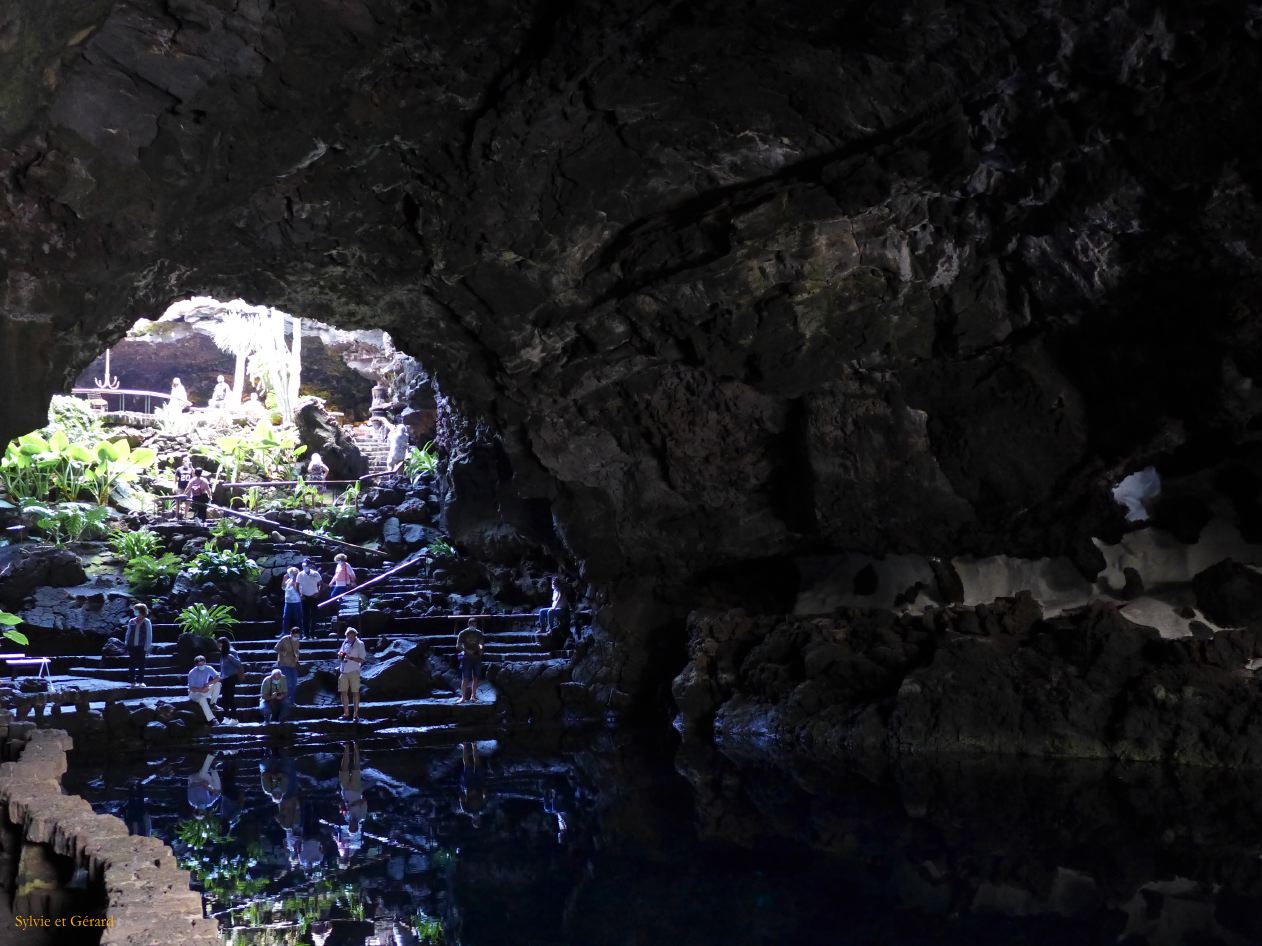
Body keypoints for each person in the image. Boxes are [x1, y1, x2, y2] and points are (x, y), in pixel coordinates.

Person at [334, 741, 367, 867]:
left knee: (343, 770)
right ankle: (356, 746)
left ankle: (347, 747)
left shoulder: (347, 818)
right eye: (353, 827)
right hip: (356, 790)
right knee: (356, 768)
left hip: (345, 791)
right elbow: (364, 801)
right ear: (357, 827)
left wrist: (342, 807)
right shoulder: (361, 817)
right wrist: (354, 805)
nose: (351, 825)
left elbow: (342, 807)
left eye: (350, 828)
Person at [337, 627, 367, 721]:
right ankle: (346, 713)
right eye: (348, 636)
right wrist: (341, 656)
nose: (349, 638)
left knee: (355, 692)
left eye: (351, 636)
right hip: (343, 670)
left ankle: (355, 715)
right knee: (343, 692)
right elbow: (340, 653)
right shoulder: (345, 642)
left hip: (354, 670)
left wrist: (351, 658)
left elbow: (362, 660)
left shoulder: (360, 644)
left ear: (355, 635)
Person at [456, 618, 484, 704]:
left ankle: (473, 696)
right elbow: (458, 645)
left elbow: (481, 643)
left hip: (477, 657)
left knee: (476, 677)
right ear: (468, 624)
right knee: (465, 677)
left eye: (475, 625)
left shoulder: (479, 633)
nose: (473, 626)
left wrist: (480, 648)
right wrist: (466, 650)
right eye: (472, 624)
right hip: (466, 657)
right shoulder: (463, 633)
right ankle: (463, 697)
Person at [187, 655, 221, 724]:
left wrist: (208, 684)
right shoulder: (192, 672)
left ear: (205, 663)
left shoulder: (208, 668)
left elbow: (218, 677)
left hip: (205, 689)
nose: (202, 666)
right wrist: (201, 690)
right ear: (196, 665)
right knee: (202, 699)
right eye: (200, 665)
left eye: (203, 664)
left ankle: (213, 704)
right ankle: (212, 719)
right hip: (194, 693)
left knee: (218, 684)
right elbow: (191, 688)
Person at [124, 603, 153, 687]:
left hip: (142, 646)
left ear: (142, 612)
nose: (135, 612)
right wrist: (126, 642)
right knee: (132, 664)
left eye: (137, 611)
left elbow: (149, 635)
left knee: (141, 664)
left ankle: (141, 681)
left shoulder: (147, 622)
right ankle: (132, 681)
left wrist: (147, 647)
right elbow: (128, 633)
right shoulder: (131, 621)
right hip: (132, 645)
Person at [275, 625, 301, 710]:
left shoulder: (297, 641)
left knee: (294, 683)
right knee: (287, 683)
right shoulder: (284, 639)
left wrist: (297, 656)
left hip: (293, 664)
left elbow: (297, 651)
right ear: (291, 634)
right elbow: (276, 648)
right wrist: (283, 652)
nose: (296, 638)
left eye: (297, 636)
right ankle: (285, 701)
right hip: (284, 664)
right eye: (295, 636)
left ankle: (292, 701)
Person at [187, 753, 221, 818]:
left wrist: (201, 783)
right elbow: (217, 793)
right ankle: (213, 768)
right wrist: (209, 788)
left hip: (195, 779)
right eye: (203, 811)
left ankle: (211, 756)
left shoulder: (192, 801)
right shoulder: (209, 803)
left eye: (199, 810)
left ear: (196, 809)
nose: (202, 809)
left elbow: (191, 786)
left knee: (202, 774)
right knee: (217, 788)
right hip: (205, 781)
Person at [296, 560, 323, 635]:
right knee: (305, 616)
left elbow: (321, 584)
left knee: (314, 615)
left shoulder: (315, 573)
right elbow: (297, 585)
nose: (304, 567)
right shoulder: (300, 574)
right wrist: (300, 595)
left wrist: (318, 593)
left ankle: (313, 634)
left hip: (314, 596)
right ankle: (306, 634)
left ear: (309, 566)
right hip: (304, 597)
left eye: (306, 566)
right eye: (303, 566)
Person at [218, 636, 242, 719]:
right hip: (224, 679)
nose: (219, 647)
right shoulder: (222, 653)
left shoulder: (231, 652)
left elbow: (238, 663)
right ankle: (226, 717)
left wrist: (231, 657)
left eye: (220, 645)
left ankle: (234, 717)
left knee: (230, 697)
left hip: (231, 677)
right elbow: (222, 666)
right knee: (224, 698)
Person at [281, 567, 303, 634]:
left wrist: (294, 584)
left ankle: (301, 633)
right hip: (287, 602)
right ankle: (284, 632)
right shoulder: (288, 580)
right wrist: (284, 579)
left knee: (298, 618)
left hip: (296, 602)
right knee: (286, 617)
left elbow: (300, 591)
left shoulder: (299, 581)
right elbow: (283, 587)